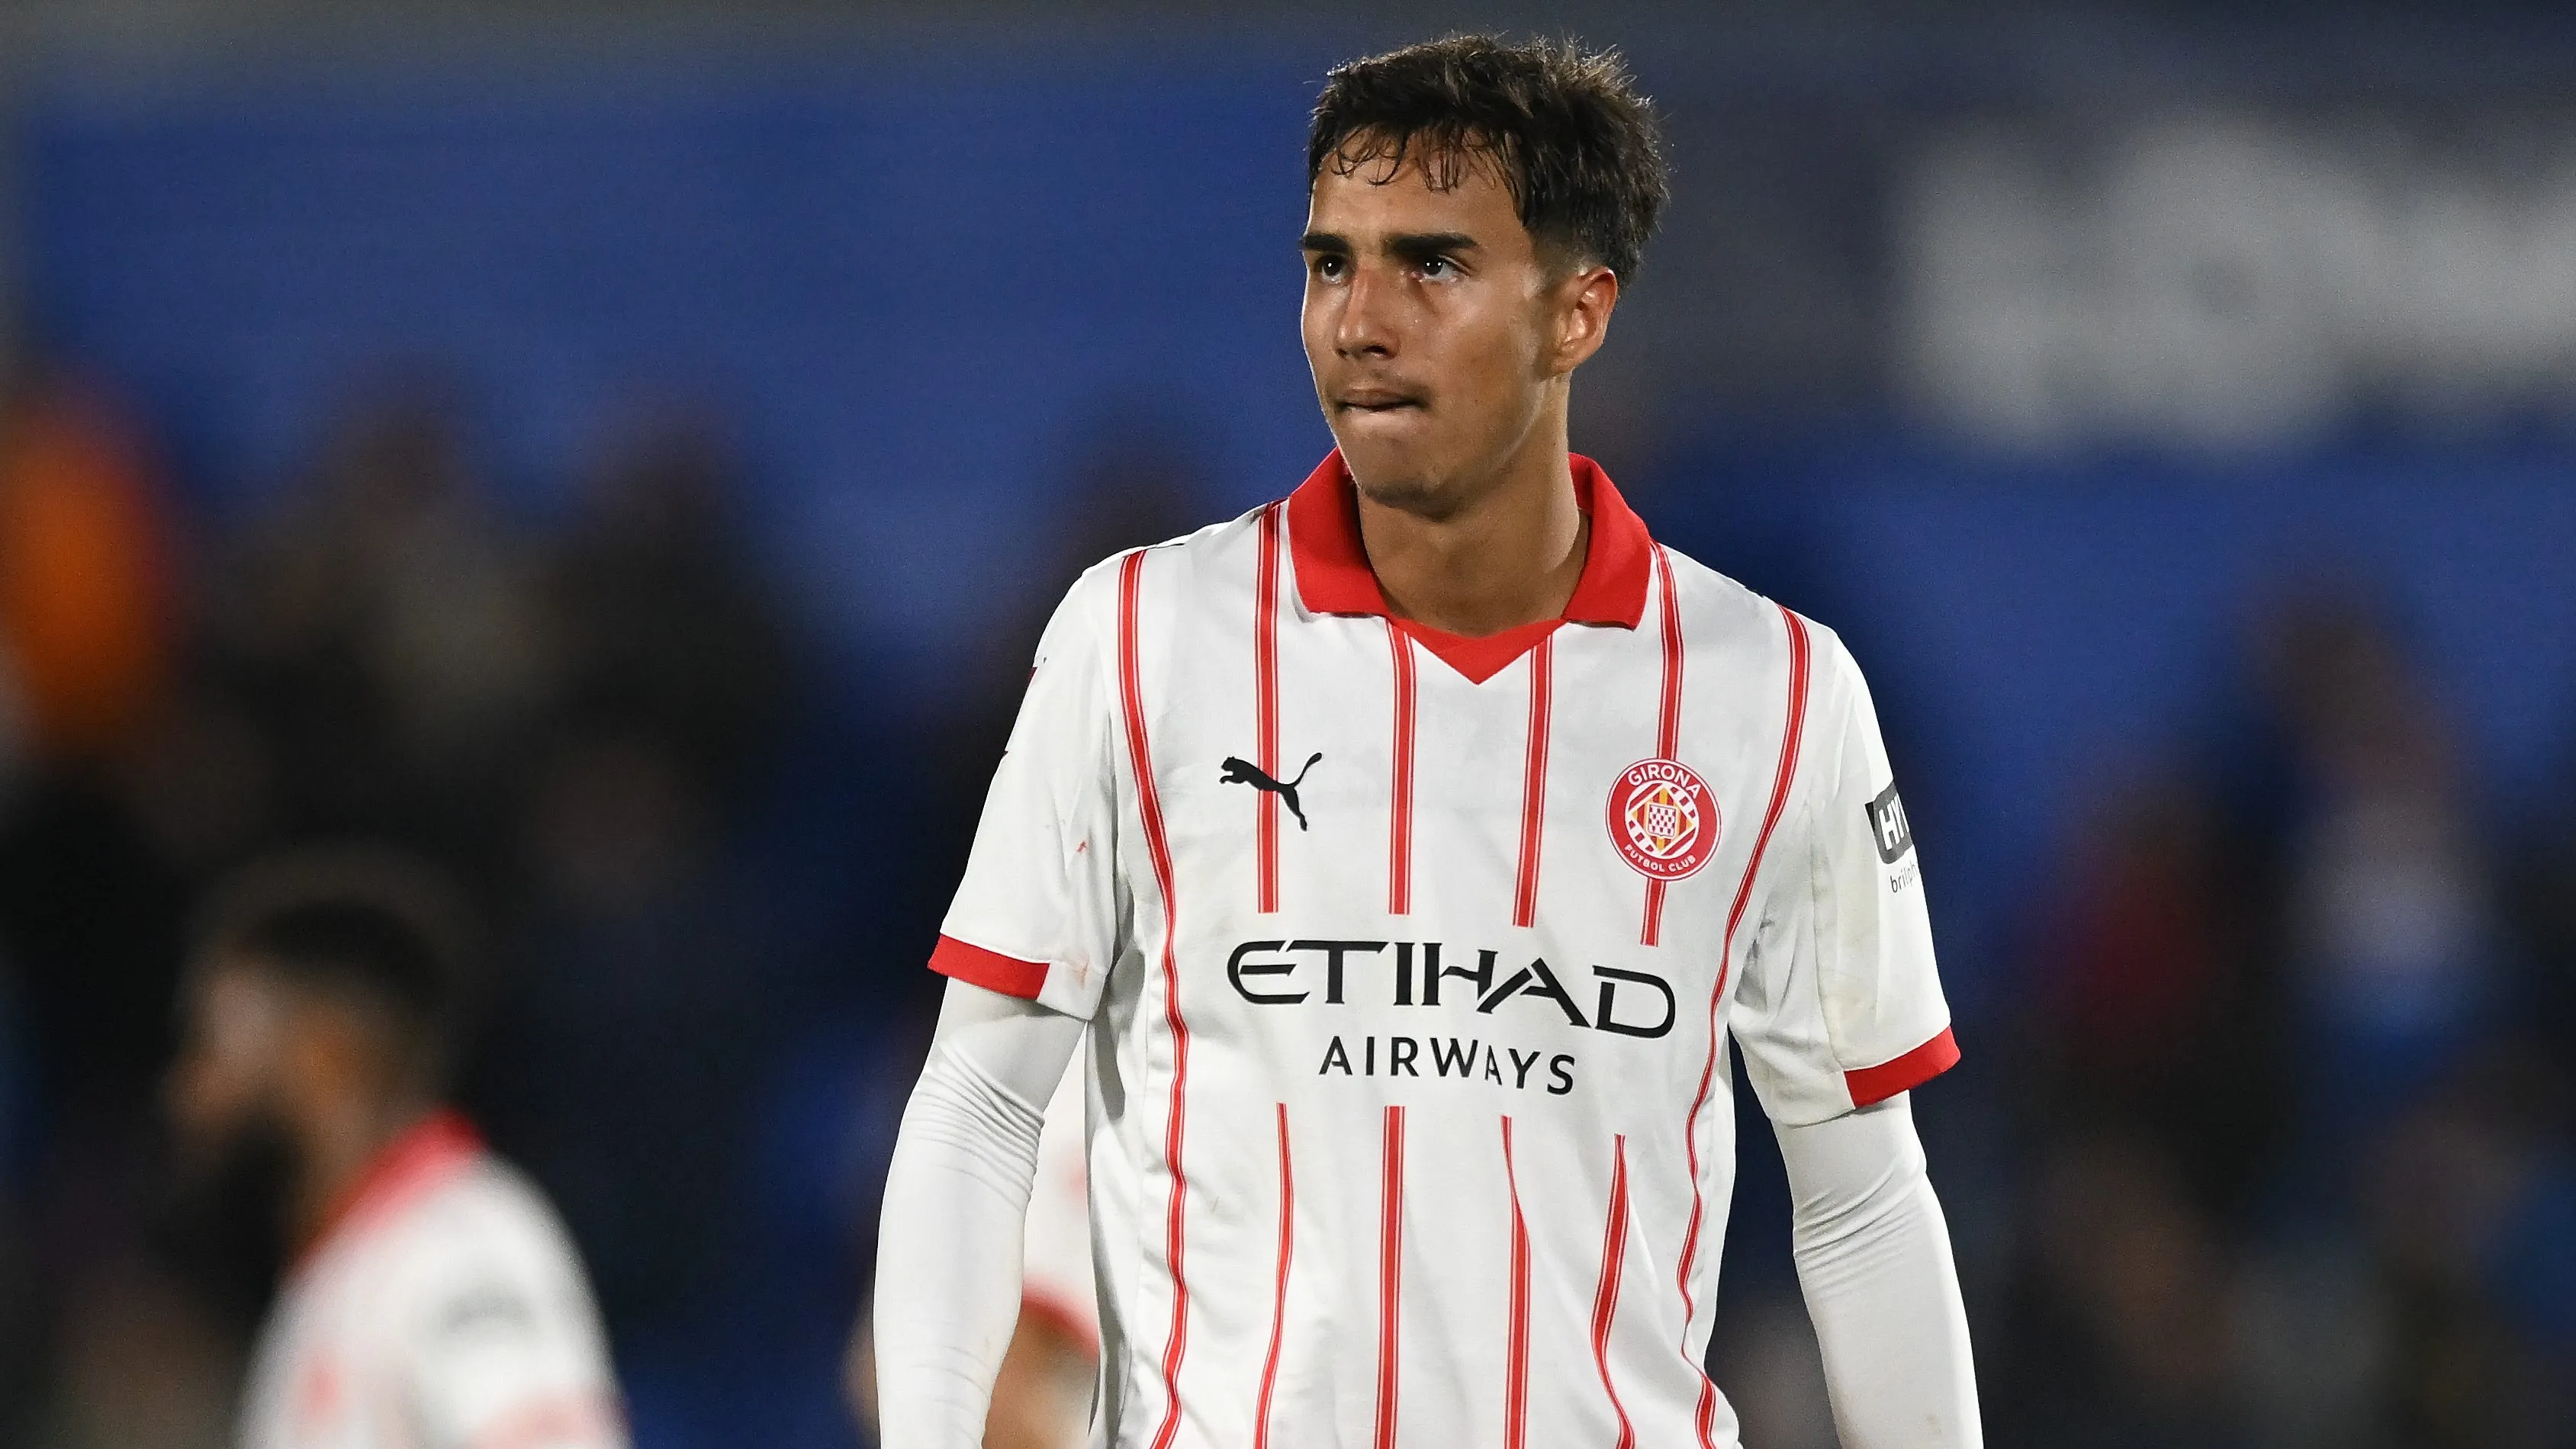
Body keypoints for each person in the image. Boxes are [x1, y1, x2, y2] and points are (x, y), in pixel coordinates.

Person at [873, 34, 1980, 1449]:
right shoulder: (1142, 636)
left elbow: (1864, 1194)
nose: (1358, 320)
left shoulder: (1774, 693)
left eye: (1433, 265)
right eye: (1332, 262)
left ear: (1578, 311)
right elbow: (976, 1103)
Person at [165, 848, 627, 1449]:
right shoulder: (346, 1273)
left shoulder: (457, 1245)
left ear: (324, 1057)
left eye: (214, 1048)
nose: (188, 1094)